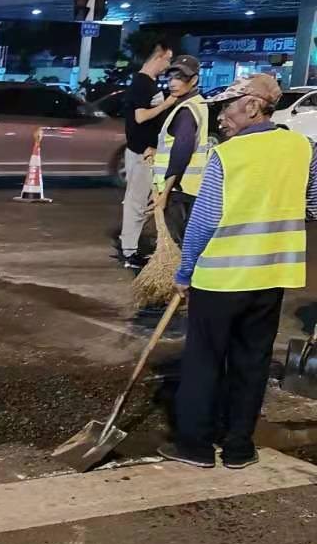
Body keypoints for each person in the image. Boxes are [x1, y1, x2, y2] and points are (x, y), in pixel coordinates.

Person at [160, 73, 317, 470]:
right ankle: (238, 448)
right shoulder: (304, 148)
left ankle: (195, 445)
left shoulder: (228, 155)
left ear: (252, 106)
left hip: (221, 278)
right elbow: (313, 206)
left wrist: (184, 271)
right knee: (252, 362)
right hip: (272, 278)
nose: (221, 117)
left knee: (204, 360)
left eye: (227, 108)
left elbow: (204, 222)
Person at [118, 42, 174, 270]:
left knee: (141, 201)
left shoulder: (147, 83)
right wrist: (168, 103)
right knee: (136, 202)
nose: (168, 65)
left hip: (146, 152)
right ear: (158, 56)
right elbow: (140, 117)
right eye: (168, 59)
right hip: (142, 153)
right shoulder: (142, 84)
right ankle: (130, 253)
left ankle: (132, 248)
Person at [152, 54, 210, 248]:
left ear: (194, 80)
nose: (173, 83)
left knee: (177, 245)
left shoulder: (186, 111)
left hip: (179, 190)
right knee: (187, 243)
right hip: (190, 188)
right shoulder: (198, 103)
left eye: (180, 78)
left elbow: (181, 153)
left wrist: (164, 194)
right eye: (170, 78)